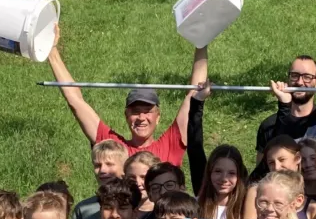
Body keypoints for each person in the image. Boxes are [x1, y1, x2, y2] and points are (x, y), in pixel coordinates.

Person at [48, 23, 209, 167]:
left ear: (158, 117)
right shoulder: (114, 148)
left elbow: (194, 92)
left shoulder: (170, 144)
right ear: (126, 116)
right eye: (135, 111)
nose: (141, 117)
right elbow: (75, 101)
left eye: (147, 111)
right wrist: (52, 51)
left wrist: (201, 43)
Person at [73, 139, 129, 219]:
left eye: (109, 164)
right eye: (97, 165)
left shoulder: (135, 204)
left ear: (124, 168)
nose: (102, 170)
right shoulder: (83, 209)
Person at [197, 144, 247, 219]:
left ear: (239, 177)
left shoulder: (246, 209)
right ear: (209, 173)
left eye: (231, 173)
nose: (224, 178)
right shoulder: (195, 206)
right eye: (218, 171)